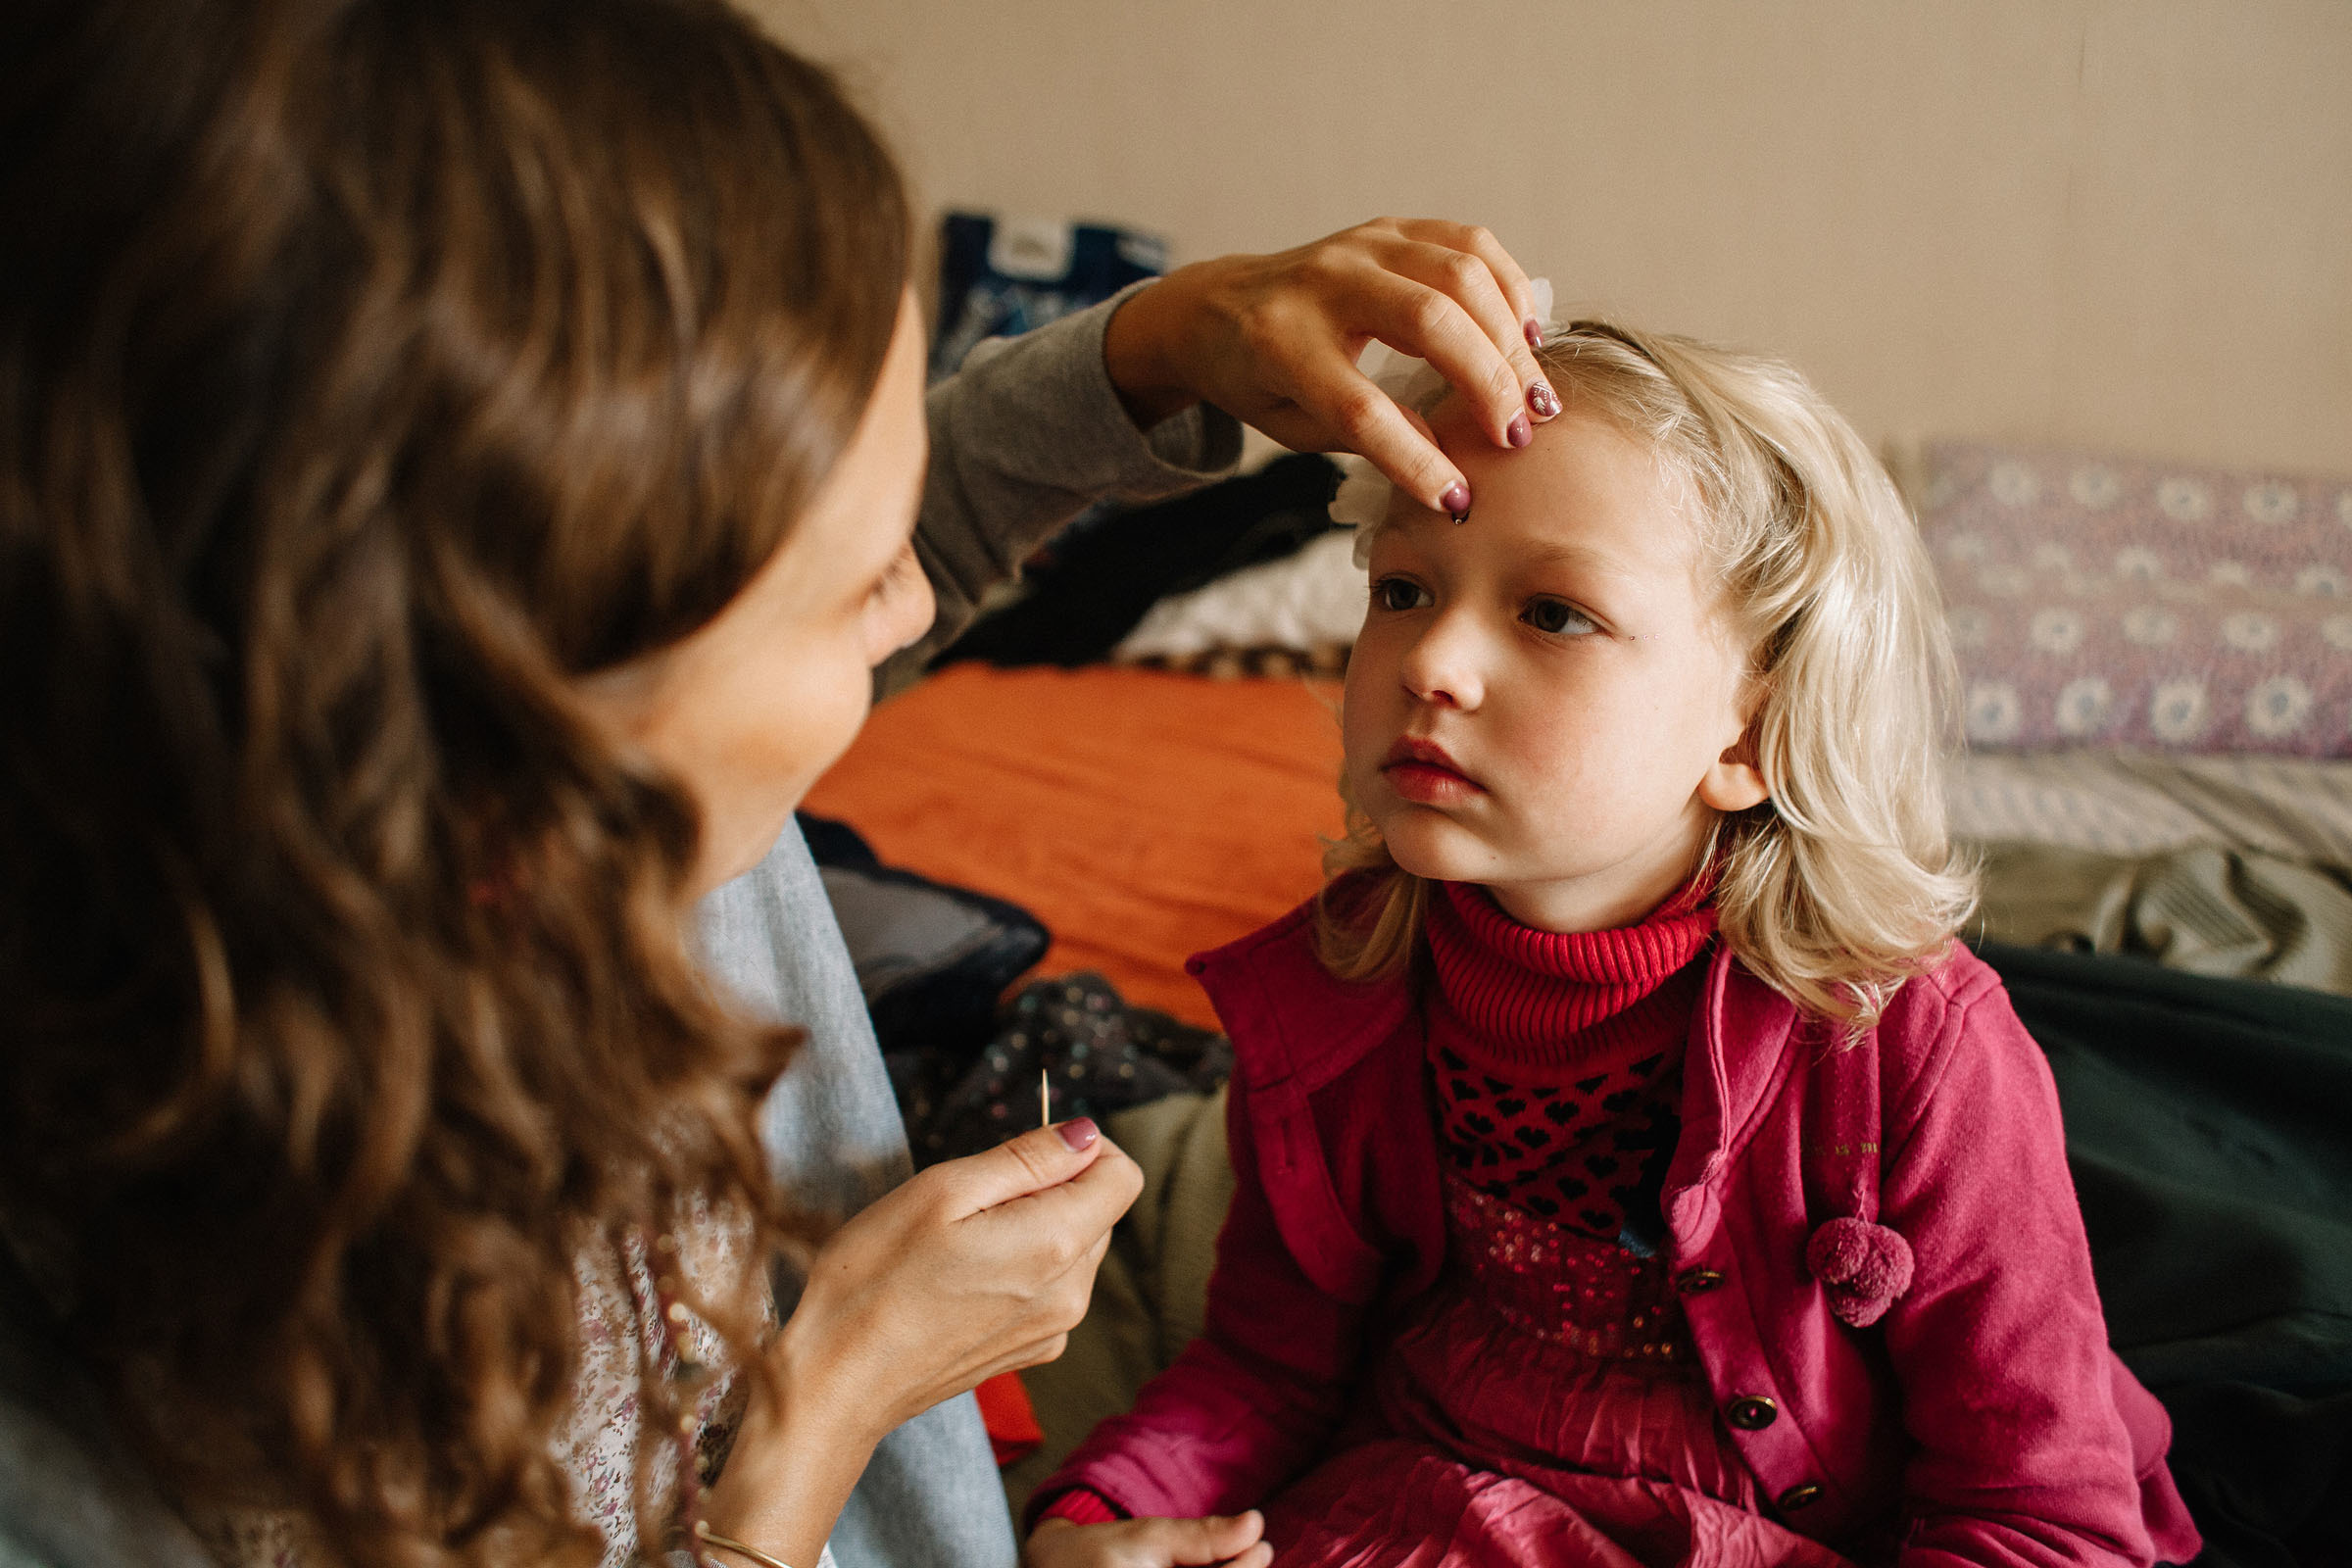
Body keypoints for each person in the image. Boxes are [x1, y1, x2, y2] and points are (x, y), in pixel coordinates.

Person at [0, 2, 1564, 1568]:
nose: (920, 609)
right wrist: (837, 1397)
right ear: (539, 736)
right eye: (853, 590)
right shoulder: (122, 1426)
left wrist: (1149, 350)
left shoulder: (434, 780)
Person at [1023, 323, 2210, 1566]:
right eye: (1403, 589)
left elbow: (2037, 1512)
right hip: (1428, 1507)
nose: (1431, 660)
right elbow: (1268, 1364)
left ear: (1751, 737)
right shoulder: (1338, 992)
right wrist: (1104, 1512)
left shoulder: (1910, 1052)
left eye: (1552, 612)